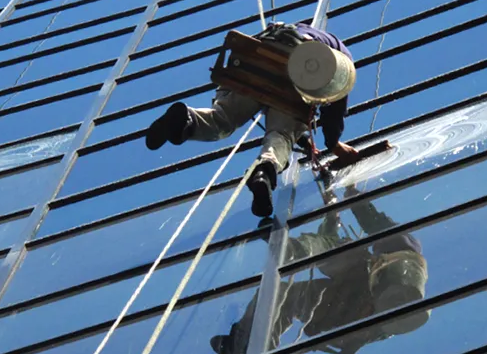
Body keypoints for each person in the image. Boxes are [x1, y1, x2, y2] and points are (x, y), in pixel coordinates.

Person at [145, 23, 360, 217]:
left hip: (258, 62)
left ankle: (186, 119)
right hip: (294, 79)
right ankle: (264, 172)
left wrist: (303, 140)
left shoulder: (294, 28)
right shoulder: (341, 59)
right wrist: (334, 144)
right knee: (281, 136)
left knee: (222, 120)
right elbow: (335, 106)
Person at [210, 185, 429, 354]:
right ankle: (253, 345)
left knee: (331, 252)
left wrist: (351, 193)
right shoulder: (382, 322)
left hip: (353, 300)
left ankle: (292, 251)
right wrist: (333, 216)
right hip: (349, 308)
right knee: (282, 294)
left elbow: (370, 222)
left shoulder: (405, 248)